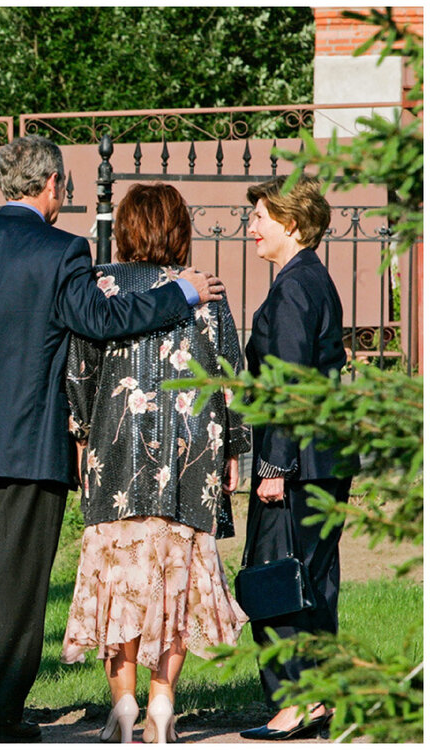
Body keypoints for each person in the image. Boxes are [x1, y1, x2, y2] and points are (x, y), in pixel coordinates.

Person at [0, 136, 226, 744]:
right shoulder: (62, 251)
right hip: (28, 444)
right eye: (65, 184)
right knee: (14, 584)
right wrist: (178, 292)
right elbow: (102, 321)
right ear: (51, 184)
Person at [60, 183, 250, 744]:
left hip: (114, 458)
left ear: (124, 230)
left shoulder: (102, 286)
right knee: (174, 585)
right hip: (191, 459)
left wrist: (80, 437)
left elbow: (79, 374)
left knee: (117, 584)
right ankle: (162, 704)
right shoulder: (205, 291)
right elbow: (230, 378)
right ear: (179, 228)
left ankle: (122, 704)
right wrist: (235, 449)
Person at [238, 175, 356, 742]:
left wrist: (272, 468)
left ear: (289, 223)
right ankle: (319, 699)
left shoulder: (294, 287)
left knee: (275, 580)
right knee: (313, 579)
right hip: (322, 461)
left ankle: (292, 702)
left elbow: (290, 384)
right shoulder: (312, 280)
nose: (251, 229)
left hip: (298, 463)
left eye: (260, 217)